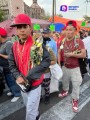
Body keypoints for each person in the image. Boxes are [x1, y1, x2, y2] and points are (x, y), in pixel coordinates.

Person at [8, 14, 50, 120]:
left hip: (35, 84)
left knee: (30, 112)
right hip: (22, 83)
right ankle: (37, 116)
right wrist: (18, 76)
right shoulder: (14, 46)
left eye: (24, 27)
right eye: (19, 27)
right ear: (16, 30)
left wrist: (30, 75)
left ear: (30, 28)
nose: (22, 30)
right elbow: (11, 64)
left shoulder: (37, 44)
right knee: (29, 107)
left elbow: (46, 60)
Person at [58, 20, 86, 112]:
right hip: (65, 67)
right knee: (64, 82)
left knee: (76, 85)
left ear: (74, 31)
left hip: (75, 68)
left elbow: (83, 54)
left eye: (70, 30)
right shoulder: (62, 41)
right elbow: (59, 53)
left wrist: (71, 54)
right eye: (67, 29)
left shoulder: (78, 41)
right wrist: (59, 65)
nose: (68, 32)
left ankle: (75, 100)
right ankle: (65, 91)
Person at [0, 27, 21, 102]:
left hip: (9, 67)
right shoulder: (2, 43)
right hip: (4, 67)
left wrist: (1, 55)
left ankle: (17, 94)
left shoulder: (8, 43)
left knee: (12, 81)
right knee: (8, 81)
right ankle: (12, 91)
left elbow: (10, 57)